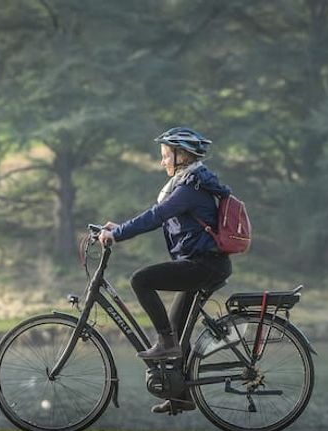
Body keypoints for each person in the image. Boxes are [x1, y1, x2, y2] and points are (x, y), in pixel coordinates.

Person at [99, 126, 232, 414]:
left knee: (141, 280)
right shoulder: (187, 184)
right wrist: (117, 228)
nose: (162, 162)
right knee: (173, 331)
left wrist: (118, 234)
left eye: (165, 156)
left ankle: (168, 348)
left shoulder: (189, 188)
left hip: (203, 266)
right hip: (202, 264)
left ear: (180, 156)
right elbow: (155, 213)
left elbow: (157, 215)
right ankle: (181, 397)